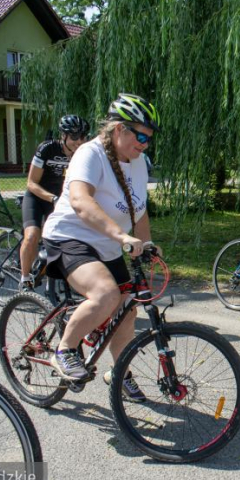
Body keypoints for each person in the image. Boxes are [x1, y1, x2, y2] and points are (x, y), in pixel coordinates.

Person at [43, 93, 159, 402]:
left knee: (127, 309)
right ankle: (64, 350)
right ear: (119, 129)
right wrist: (122, 237)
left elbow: (141, 210)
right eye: (140, 135)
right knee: (106, 294)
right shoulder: (89, 154)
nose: (145, 143)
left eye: (149, 137)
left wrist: (145, 244)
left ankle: (120, 372)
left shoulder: (137, 163)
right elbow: (81, 201)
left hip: (107, 244)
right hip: (70, 237)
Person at [19, 115, 90, 290]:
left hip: (60, 200)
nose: (79, 141)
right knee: (32, 236)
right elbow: (31, 183)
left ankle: (55, 275)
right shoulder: (47, 149)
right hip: (37, 197)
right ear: (63, 136)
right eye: (74, 137)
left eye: (83, 137)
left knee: (67, 238)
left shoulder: (83, 154)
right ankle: (25, 278)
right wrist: (52, 198)